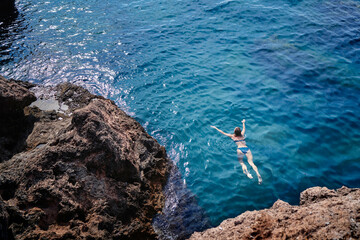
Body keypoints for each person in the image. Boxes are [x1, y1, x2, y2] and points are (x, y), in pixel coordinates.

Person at [210, 119, 262, 184]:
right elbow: (244, 128)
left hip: (240, 149)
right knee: (251, 163)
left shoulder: (232, 136)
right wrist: (243, 122)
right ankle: (258, 174)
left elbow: (222, 132)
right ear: (240, 132)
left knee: (241, 162)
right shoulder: (242, 134)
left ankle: (248, 173)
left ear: (234, 132)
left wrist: (215, 128)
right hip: (246, 149)